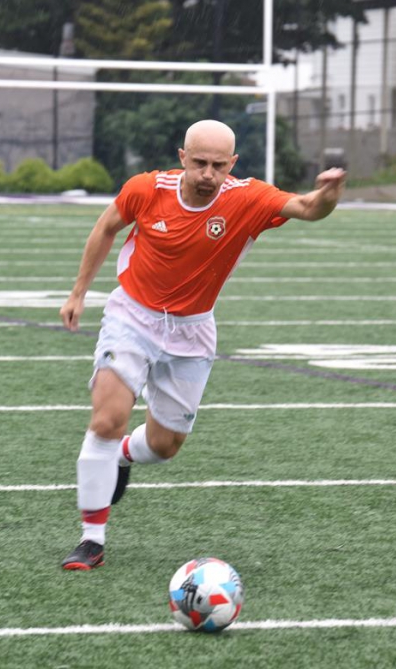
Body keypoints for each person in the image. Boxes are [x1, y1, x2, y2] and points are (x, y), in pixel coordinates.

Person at [58, 119, 347, 570]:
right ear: (182, 157)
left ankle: (123, 455)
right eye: (199, 163)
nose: (208, 174)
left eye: (218, 165)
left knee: (165, 445)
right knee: (107, 418)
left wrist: (328, 193)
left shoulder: (247, 198)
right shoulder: (146, 189)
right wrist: (78, 292)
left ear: (232, 163)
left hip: (192, 331)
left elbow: (308, 208)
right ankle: (91, 540)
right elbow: (106, 226)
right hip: (131, 316)